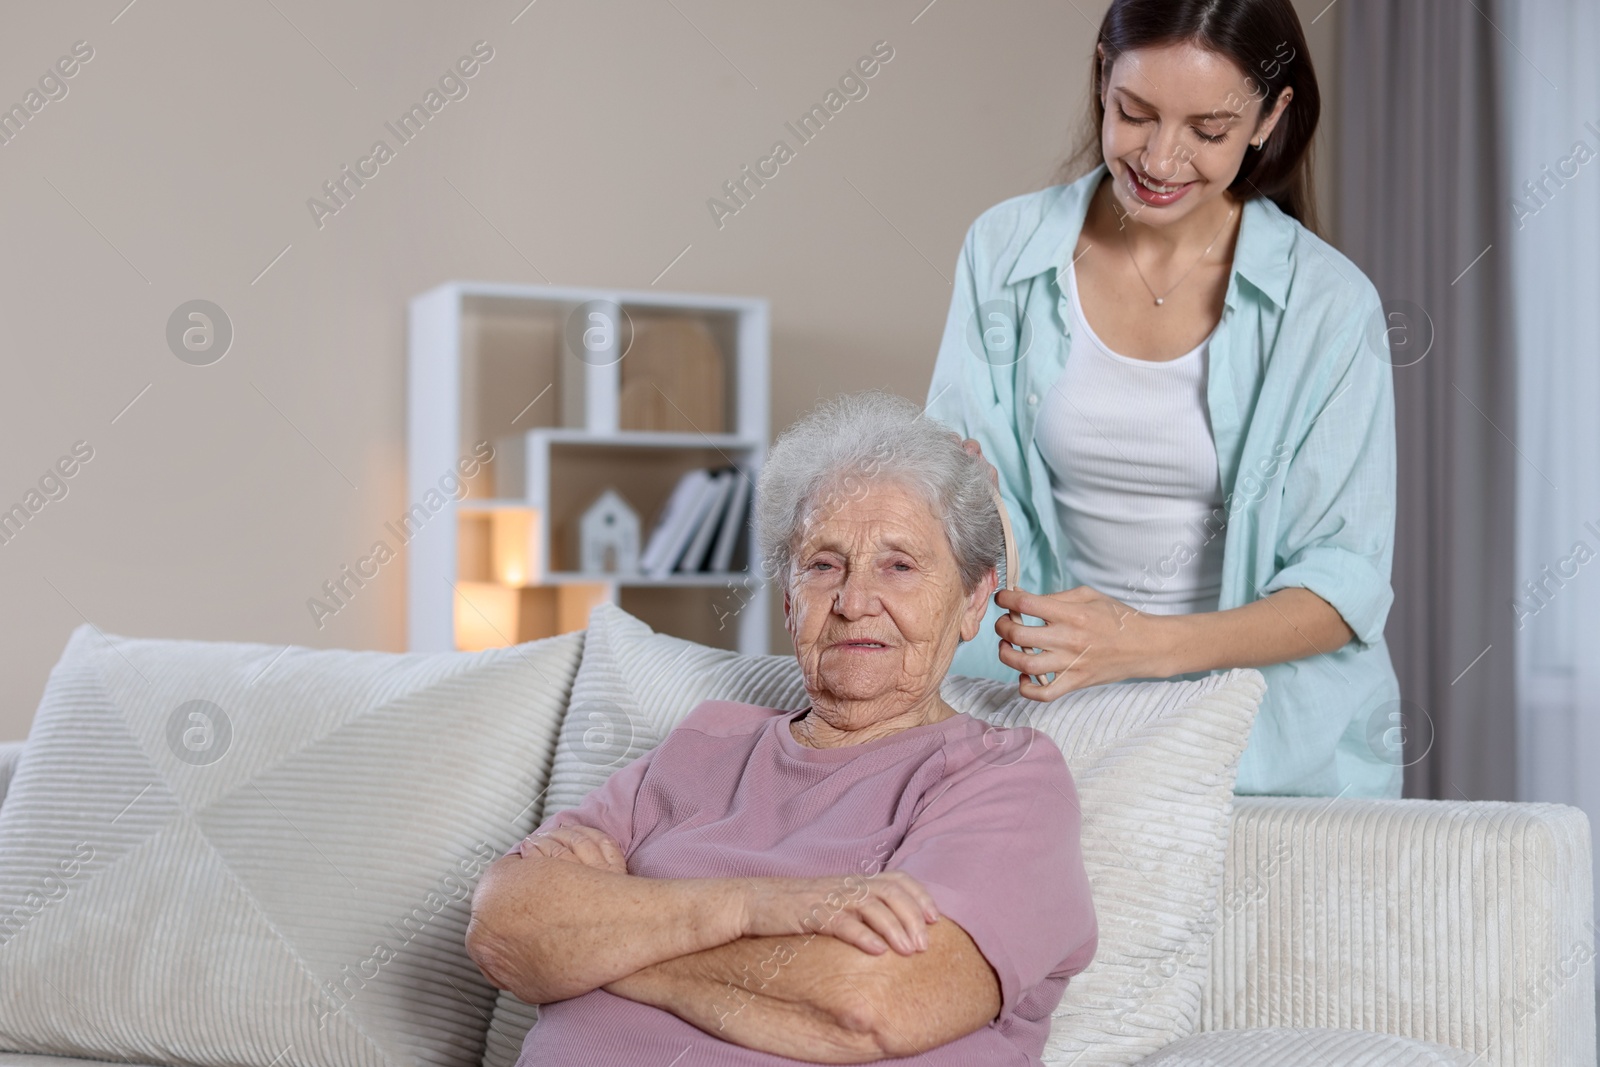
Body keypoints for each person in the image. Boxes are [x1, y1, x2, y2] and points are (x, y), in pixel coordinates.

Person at [466, 392, 1097, 1065]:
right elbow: (506, 924)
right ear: (791, 601)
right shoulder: (706, 742)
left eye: (899, 565)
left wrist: (599, 943)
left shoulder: (1004, 776)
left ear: (974, 597)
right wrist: (753, 908)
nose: (855, 602)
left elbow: (868, 1004)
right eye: (824, 565)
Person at [926, 0, 1401, 798]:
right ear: (1104, 80)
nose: (1161, 157)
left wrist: (1141, 645)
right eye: (1134, 114)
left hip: (1273, 749)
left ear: (1268, 118)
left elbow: (1343, 583)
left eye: (1208, 131)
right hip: (1051, 722)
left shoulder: (1329, 305)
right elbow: (961, 492)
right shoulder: (1003, 251)